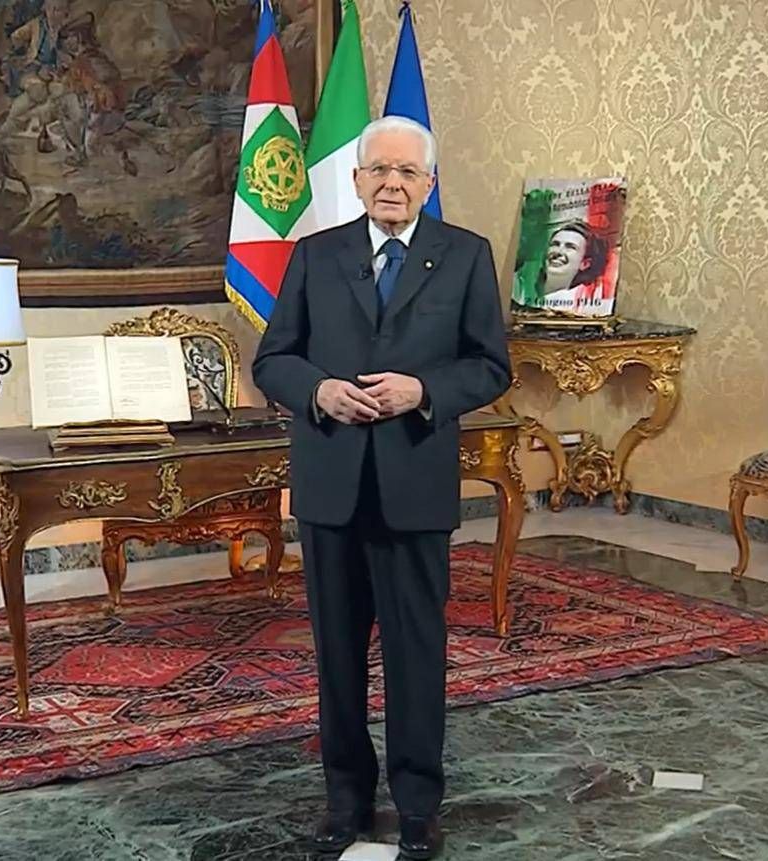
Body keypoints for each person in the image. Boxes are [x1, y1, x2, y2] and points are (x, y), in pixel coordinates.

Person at [252, 115, 511, 859]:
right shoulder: (315, 255)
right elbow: (274, 359)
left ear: (428, 184)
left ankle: (419, 805)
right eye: (379, 171)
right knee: (337, 654)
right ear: (357, 179)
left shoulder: (465, 254)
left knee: (415, 651)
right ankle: (346, 800)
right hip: (331, 484)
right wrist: (318, 391)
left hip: (414, 483)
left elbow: (490, 365)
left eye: (407, 173)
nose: (392, 184)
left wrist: (422, 390)